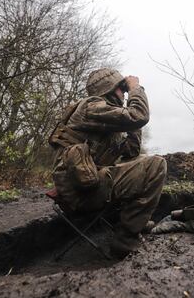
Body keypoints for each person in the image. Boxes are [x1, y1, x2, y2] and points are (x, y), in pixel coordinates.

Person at [48, 68, 167, 258]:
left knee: (144, 161)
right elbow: (139, 115)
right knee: (157, 165)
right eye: (122, 88)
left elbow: (131, 151)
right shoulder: (91, 107)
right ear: (110, 90)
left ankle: (136, 221)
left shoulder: (105, 122)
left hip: (88, 184)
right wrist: (136, 88)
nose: (125, 91)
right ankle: (125, 241)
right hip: (81, 191)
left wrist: (132, 122)